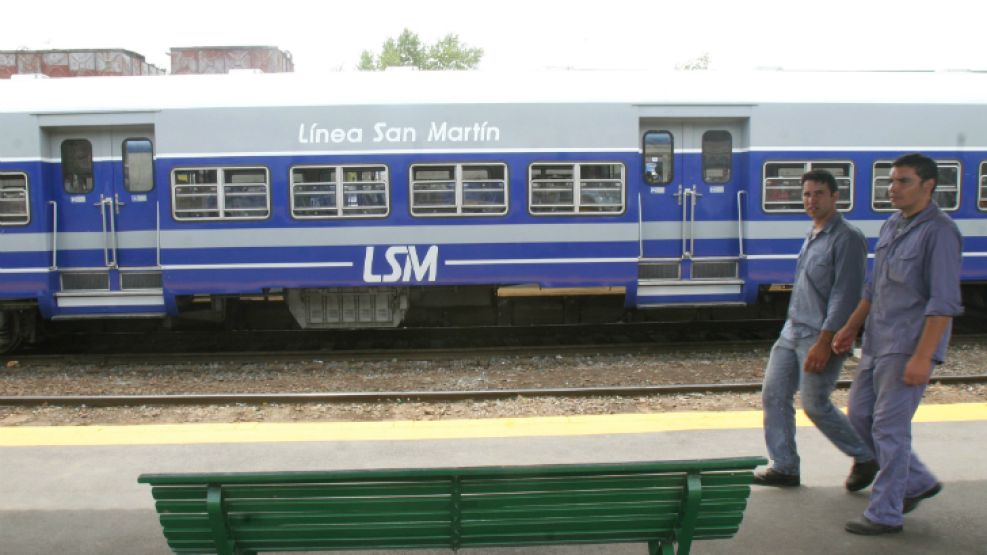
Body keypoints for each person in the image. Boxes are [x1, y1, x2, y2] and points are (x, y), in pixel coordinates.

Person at [833, 153, 963, 535]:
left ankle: (885, 513)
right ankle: (917, 480)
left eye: (903, 181)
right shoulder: (892, 225)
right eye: (891, 181)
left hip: (908, 345)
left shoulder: (940, 232)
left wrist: (923, 357)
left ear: (928, 185)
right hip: (877, 341)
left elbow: (944, 302)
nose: (893, 188)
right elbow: (874, 289)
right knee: (859, 416)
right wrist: (849, 328)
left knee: (890, 429)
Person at [754, 169, 877, 488]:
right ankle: (784, 466)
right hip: (792, 330)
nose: (811, 200)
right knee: (774, 394)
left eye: (818, 193)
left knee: (814, 403)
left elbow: (845, 294)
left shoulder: (847, 237)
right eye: (807, 194)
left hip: (820, 335)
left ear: (835, 196)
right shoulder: (813, 233)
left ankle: (866, 456)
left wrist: (825, 342)